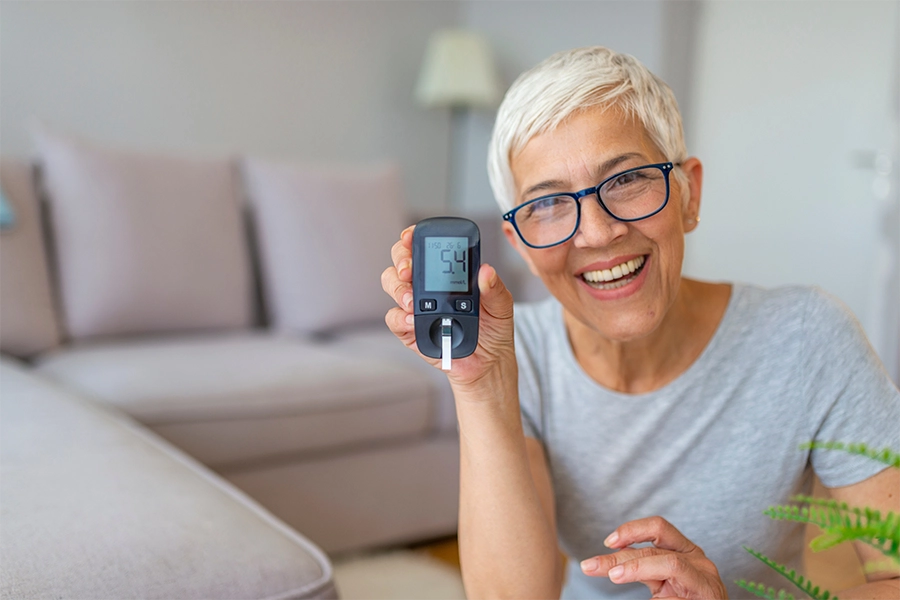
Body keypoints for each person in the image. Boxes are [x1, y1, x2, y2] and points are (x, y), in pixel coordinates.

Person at [382, 46, 900, 600]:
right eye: (550, 203)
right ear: (523, 247)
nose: (598, 233)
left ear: (689, 195)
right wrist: (481, 388)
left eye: (627, 180)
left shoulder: (807, 337)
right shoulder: (515, 354)